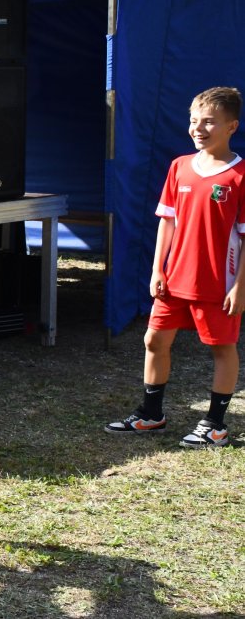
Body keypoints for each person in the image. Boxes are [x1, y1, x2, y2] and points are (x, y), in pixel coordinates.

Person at [106, 86, 245, 448]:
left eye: (209, 122)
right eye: (193, 120)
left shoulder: (240, 176)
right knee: (154, 339)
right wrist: (158, 269)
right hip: (174, 279)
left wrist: (239, 286)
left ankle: (215, 425)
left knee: (222, 348)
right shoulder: (179, 167)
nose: (198, 128)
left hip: (217, 284)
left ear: (232, 126)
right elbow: (167, 222)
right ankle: (152, 414)